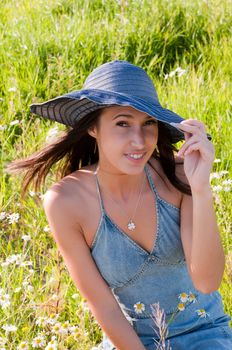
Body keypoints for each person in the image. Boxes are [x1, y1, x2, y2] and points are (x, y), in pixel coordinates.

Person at [6, 60, 232, 349]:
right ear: (93, 128)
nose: (139, 141)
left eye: (148, 123)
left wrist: (201, 188)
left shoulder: (177, 174)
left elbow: (207, 281)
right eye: (122, 123)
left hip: (205, 336)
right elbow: (106, 309)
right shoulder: (66, 202)